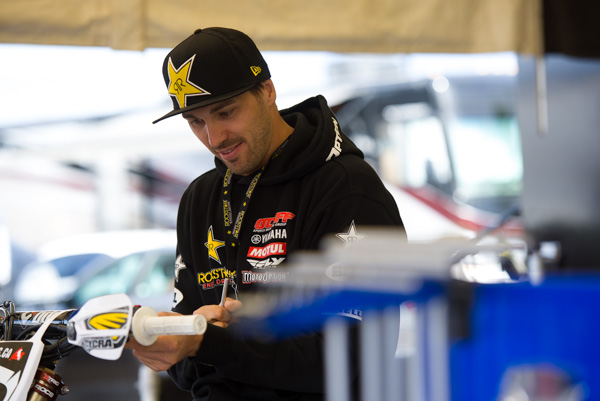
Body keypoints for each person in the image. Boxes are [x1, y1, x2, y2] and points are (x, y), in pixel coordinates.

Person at [126, 27, 405, 401]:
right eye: (195, 121)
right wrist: (183, 340)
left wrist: (213, 343)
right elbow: (183, 367)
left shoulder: (346, 187)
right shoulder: (199, 197)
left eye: (226, 112)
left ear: (268, 91)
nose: (214, 138)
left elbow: (354, 357)